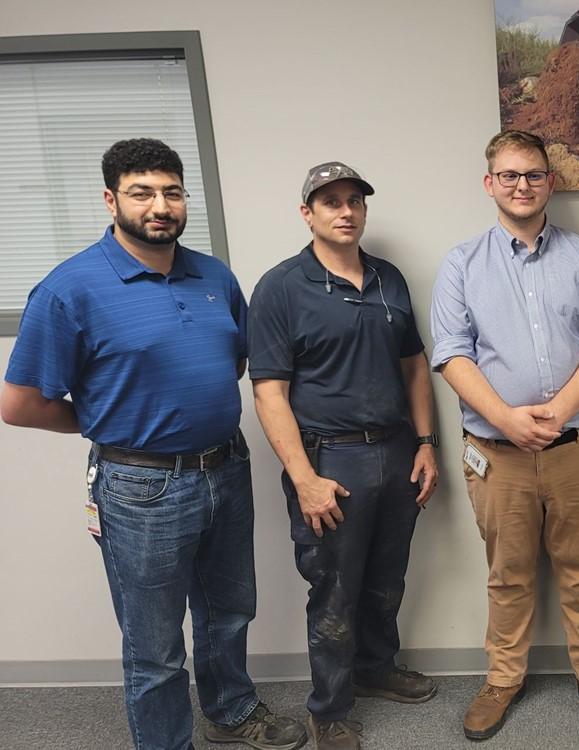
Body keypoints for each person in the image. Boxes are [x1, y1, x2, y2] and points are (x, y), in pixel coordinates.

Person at [0, 138, 304, 750]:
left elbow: (235, 361)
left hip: (226, 468)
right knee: (155, 646)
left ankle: (231, 710)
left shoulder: (215, 276)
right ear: (111, 199)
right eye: (142, 193)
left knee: (228, 613)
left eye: (171, 192)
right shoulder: (70, 290)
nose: (159, 205)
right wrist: (109, 421)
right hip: (141, 489)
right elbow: (19, 404)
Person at [429, 130, 579, 741]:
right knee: (508, 573)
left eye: (534, 175)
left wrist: (555, 411)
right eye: (510, 175)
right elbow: (451, 353)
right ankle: (502, 677)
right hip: (498, 455)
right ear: (490, 183)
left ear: (552, 181)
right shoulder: (462, 264)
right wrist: (506, 418)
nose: (522, 185)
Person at [248, 161, 440, 750]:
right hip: (329, 462)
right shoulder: (281, 287)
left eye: (354, 200)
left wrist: (427, 442)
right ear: (308, 213)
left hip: (397, 451)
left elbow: (414, 368)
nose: (346, 211)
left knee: (387, 576)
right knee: (333, 588)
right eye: (331, 202)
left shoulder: (389, 279)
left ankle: (376, 668)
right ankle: (329, 708)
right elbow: (269, 392)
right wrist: (303, 478)